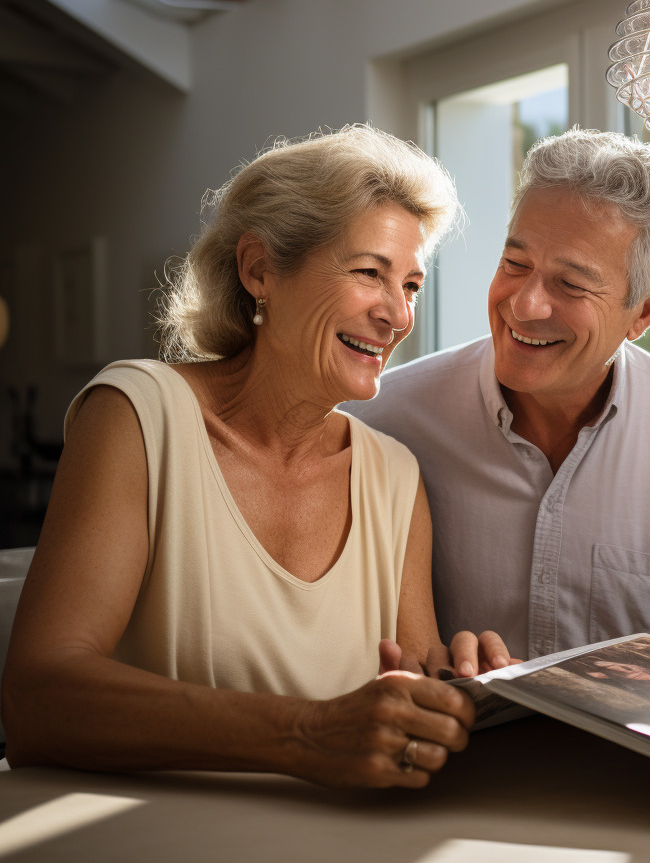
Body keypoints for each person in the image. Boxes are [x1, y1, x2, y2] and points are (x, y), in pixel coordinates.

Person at [0, 124, 511, 788]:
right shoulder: (137, 414)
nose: (398, 316)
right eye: (368, 273)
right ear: (259, 269)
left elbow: (405, 706)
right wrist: (306, 733)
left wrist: (458, 695)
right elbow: (38, 702)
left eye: (411, 285)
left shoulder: (394, 478)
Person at [350, 128, 650, 671]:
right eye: (515, 264)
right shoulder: (386, 417)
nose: (523, 306)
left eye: (571, 285)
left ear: (644, 311)